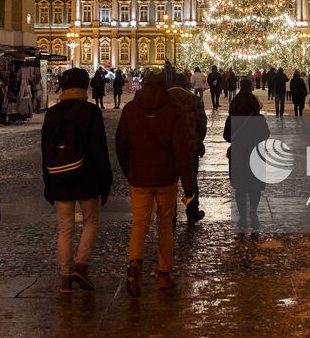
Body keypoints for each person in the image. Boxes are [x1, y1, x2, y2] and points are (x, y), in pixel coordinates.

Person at [115, 69, 194, 296]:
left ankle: (134, 267)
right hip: (166, 177)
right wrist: (189, 184)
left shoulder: (130, 109)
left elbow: (121, 144)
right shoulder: (173, 110)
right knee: (165, 225)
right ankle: (163, 274)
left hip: (139, 178)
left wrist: (129, 171)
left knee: (139, 223)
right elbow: (181, 149)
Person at [42, 68, 113, 293]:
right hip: (87, 176)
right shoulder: (91, 112)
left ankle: (64, 279)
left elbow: (46, 151)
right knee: (91, 221)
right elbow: (100, 149)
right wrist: (106, 181)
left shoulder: (51, 113)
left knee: (65, 228)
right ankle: (81, 266)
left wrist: (48, 182)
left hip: (59, 177)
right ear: (84, 86)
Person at [224, 79, 271, 230]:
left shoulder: (233, 117)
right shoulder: (258, 118)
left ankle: (243, 215)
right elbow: (266, 134)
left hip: (238, 153)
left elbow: (227, 136)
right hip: (255, 153)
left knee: (240, 187)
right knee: (255, 186)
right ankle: (253, 212)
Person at [166, 71, 208, 223]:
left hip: (168, 149)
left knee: (170, 184)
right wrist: (197, 140)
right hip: (189, 147)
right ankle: (191, 210)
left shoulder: (164, 99)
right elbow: (202, 124)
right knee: (190, 183)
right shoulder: (193, 100)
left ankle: (171, 213)